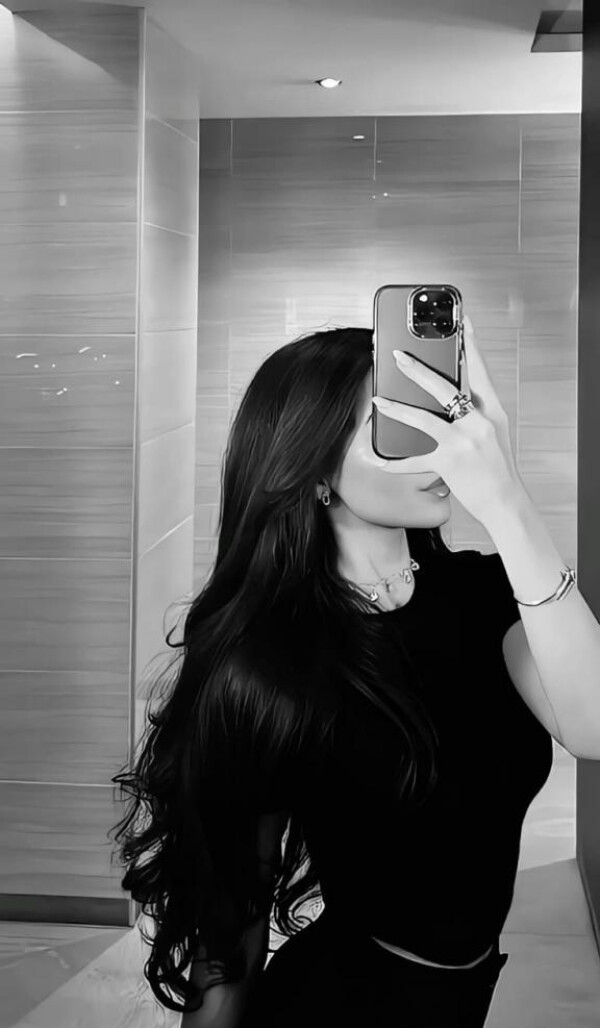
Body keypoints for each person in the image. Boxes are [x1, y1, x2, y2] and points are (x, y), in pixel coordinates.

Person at [110, 325, 558, 1028]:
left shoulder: (486, 594)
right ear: (314, 471)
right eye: (394, 432)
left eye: (432, 426)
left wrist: (510, 501)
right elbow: (232, 927)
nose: (433, 452)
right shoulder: (265, 665)